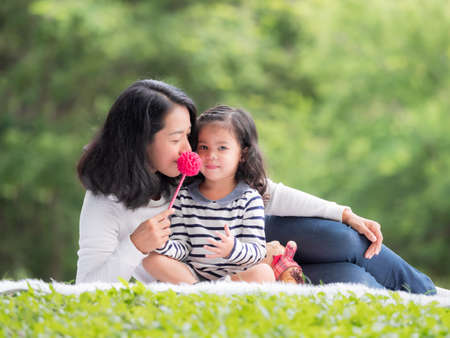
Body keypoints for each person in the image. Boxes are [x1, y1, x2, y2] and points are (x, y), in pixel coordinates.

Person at [75, 79, 436, 294]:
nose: (190, 150)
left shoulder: (185, 170)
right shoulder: (105, 203)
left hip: (246, 239)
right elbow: (84, 288)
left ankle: (431, 294)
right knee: (351, 277)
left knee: (342, 237)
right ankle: (419, 312)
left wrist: (344, 212)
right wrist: (136, 246)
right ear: (140, 140)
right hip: (213, 277)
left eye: (190, 136)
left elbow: (268, 192)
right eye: (176, 139)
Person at [143, 105, 274, 283]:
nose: (211, 155)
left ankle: (213, 290)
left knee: (263, 272)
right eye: (203, 147)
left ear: (242, 154)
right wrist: (163, 246)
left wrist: (233, 249)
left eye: (222, 148)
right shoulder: (184, 197)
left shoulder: (249, 199)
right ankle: (202, 291)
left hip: (235, 278)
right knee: (153, 261)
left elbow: (258, 252)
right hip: (194, 276)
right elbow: (183, 247)